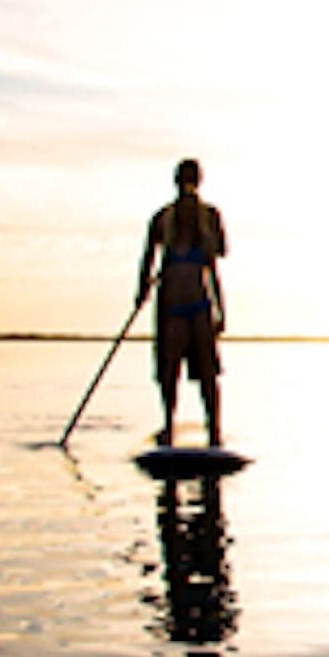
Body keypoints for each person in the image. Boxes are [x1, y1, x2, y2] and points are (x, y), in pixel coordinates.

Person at [138, 157, 227, 447]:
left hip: (199, 302)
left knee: (207, 372)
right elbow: (148, 258)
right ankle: (168, 423)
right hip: (171, 304)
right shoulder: (163, 218)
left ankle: (214, 429)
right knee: (168, 368)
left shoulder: (209, 216)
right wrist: (141, 290)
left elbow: (214, 263)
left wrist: (220, 308)